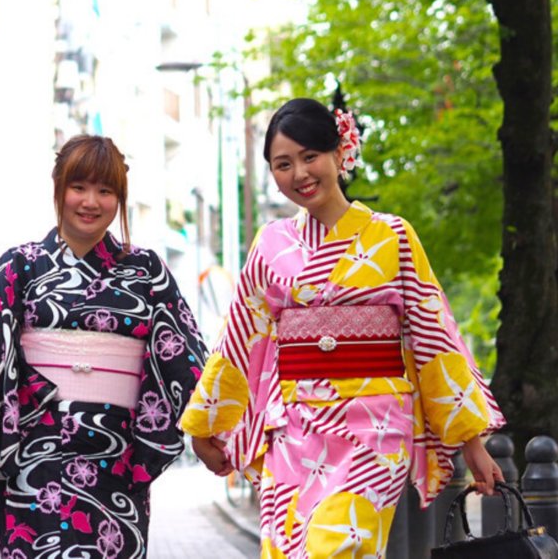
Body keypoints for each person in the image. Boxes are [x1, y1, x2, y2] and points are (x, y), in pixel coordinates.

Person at [181, 98, 505, 558]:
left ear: (339, 152)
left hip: (373, 427)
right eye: (283, 164)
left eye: (310, 156)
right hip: (294, 427)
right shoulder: (271, 243)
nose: (299, 173)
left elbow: (434, 338)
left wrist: (472, 443)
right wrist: (206, 424)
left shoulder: (392, 236)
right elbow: (239, 339)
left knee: (339, 545)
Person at [0, 135, 207, 558]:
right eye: (79, 187)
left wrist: (210, 429)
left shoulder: (146, 271)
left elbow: (185, 358)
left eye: (105, 191)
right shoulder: (20, 265)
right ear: (59, 189)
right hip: (32, 456)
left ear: (119, 199)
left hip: (116, 457)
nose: (91, 201)